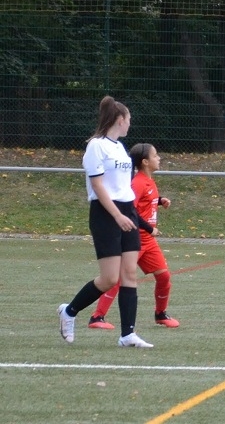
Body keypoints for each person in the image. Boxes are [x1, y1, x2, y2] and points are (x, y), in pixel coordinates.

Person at [56, 96, 153, 348]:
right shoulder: (96, 146)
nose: (130, 123)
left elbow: (122, 186)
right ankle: (69, 311)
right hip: (106, 213)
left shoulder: (120, 147)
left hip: (127, 211)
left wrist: (129, 214)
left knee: (129, 273)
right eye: (129, 119)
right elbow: (98, 186)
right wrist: (117, 216)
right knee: (110, 278)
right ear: (120, 120)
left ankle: (127, 334)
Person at [87, 143, 181, 331]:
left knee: (164, 277)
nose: (159, 158)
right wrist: (149, 228)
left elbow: (146, 200)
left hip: (148, 241)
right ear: (145, 162)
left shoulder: (148, 181)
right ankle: (97, 317)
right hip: (135, 238)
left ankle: (160, 314)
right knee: (117, 279)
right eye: (155, 155)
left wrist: (159, 200)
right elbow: (131, 210)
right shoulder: (137, 182)